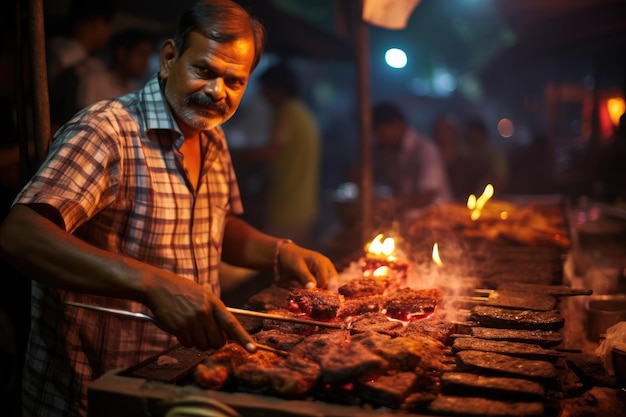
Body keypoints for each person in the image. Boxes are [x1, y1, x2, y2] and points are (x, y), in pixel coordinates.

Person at [0, 1, 337, 416]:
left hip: (177, 384)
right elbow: (21, 234)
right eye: (205, 71)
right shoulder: (107, 130)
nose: (218, 91)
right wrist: (153, 284)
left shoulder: (211, 137)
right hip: (96, 393)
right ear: (169, 58)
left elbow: (218, 224)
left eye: (235, 80)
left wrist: (280, 251)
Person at [231, 62, 321, 248]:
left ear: (277, 88)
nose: (263, 95)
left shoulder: (287, 112)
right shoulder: (302, 113)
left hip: (287, 208)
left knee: (279, 264)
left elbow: (270, 152)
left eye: (265, 89)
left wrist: (229, 154)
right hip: (302, 206)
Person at [369, 101, 452, 220]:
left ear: (397, 124)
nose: (378, 138)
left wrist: (390, 204)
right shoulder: (386, 151)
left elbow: (428, 195)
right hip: (407, 220)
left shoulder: (425, 149)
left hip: (436, 221)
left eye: (381, 133)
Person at [47, 1, 119, 132]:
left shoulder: (94, 65)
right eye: (108, 26)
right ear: (94, 24)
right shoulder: (57, 53)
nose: (109, 33)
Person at [75, 28, 158, 110]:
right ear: (122, 53)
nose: (145, 62)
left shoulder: (134, 92)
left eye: (148, 57)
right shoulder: (97, 80)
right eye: (142, 55)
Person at [463, 117, 510, 194]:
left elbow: (501, 180)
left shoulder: (495, 155)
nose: (474, 140)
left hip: (495, 198)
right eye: (471, 137)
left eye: (476, 136)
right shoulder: (465, 155)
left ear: (483, 136)